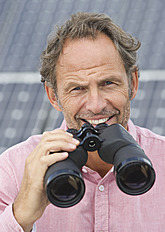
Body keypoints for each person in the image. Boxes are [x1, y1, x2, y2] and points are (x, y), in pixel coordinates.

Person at [0, 12, 165, 232]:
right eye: (77, 88)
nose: (96, 105)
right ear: (53, 96)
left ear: (132, 83)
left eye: (108, 83)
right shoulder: (12, 169)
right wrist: (20, 216)